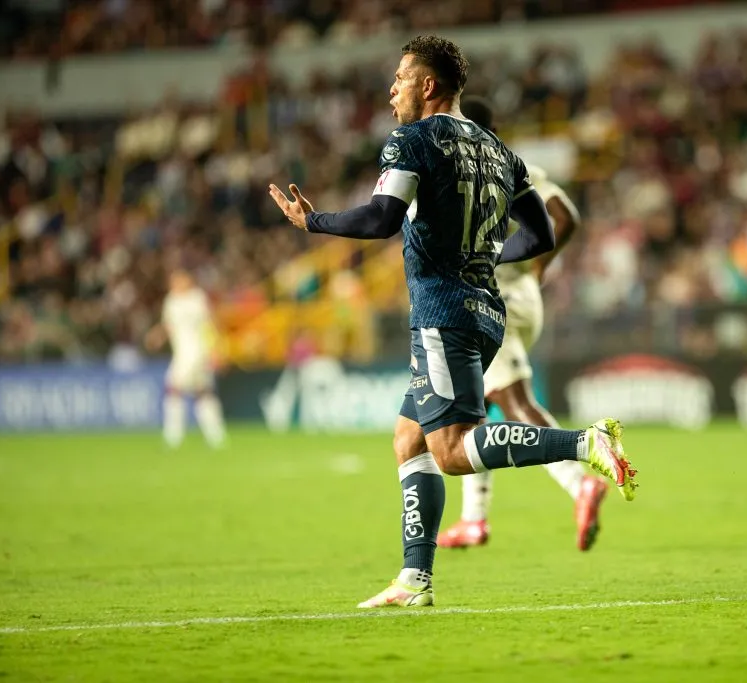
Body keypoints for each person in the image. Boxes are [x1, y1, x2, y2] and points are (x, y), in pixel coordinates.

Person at [268, 36, 638, 608]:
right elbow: (541, 235)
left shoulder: (413, 140)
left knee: (451, 450)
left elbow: (382, 218)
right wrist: (486, 257)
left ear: (427, 85)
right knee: (408, 437)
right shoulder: (499, 150)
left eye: (399, 78)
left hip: (442, 312)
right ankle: (414, 579)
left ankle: (585, 443)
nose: (391, 90)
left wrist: (312, 222)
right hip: (487, 311)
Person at [437, 96, 607, 552]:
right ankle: (473, 519)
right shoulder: (515, 165)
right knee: (474, 404)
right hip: (520, 296)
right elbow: (564, 216)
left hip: (494, 301)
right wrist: (538, 266)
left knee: (513, 399)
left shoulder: (460, 173)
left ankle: (580, 483)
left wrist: (497, 260)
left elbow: (564, 220)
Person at [145, 270, 227, 450]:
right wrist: (157, 336)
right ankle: (216, 435)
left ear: (188, 280)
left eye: (179, 280)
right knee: (202, 391)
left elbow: (209, 324)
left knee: (173, 389)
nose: (175, 284)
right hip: (181, 354)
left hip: (197, 352)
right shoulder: (171, 301)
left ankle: (173, 435)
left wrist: (216, 349)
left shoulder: (197, 298)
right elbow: (168, 325)